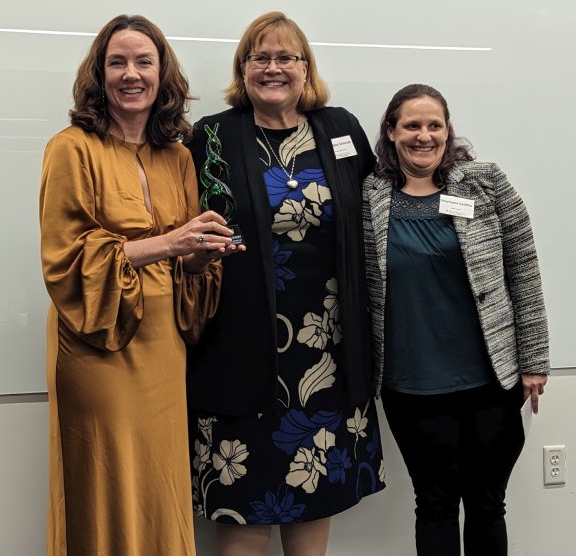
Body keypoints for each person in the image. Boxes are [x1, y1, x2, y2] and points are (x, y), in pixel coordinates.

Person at [39, 15, 241, 556]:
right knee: (107, 482)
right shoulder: (71, 148)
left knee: (160, 481)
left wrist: (201, 255)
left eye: (143, 62)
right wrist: (172, 244)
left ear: (162, 73)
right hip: (95, 345)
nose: (131, 74)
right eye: (117, 62)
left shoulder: (178, 156)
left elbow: (188, 266)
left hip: (164, 348)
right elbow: (67, 257)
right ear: (98, 75)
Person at [184, 12, 385, 556]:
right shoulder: (214, 137)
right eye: (260, 58)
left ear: (305, 68)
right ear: (243, 69)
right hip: (241, 355)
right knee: (242, 511)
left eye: (285, 57)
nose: (273, 68)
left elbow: (375, 214)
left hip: (328, 356)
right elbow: (187, 232)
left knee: (313, 505)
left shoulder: (340, 129)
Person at [362, 83, 550, 555]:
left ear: (448, 132)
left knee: (488, 504)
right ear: (391, 131)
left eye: (434, 125)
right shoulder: (368, 197)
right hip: (412, 385)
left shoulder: (486, 183)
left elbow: (523, 271)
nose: (423, 136)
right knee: (435, 504)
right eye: (411, 125)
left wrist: (535, 359)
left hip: (491, 380)